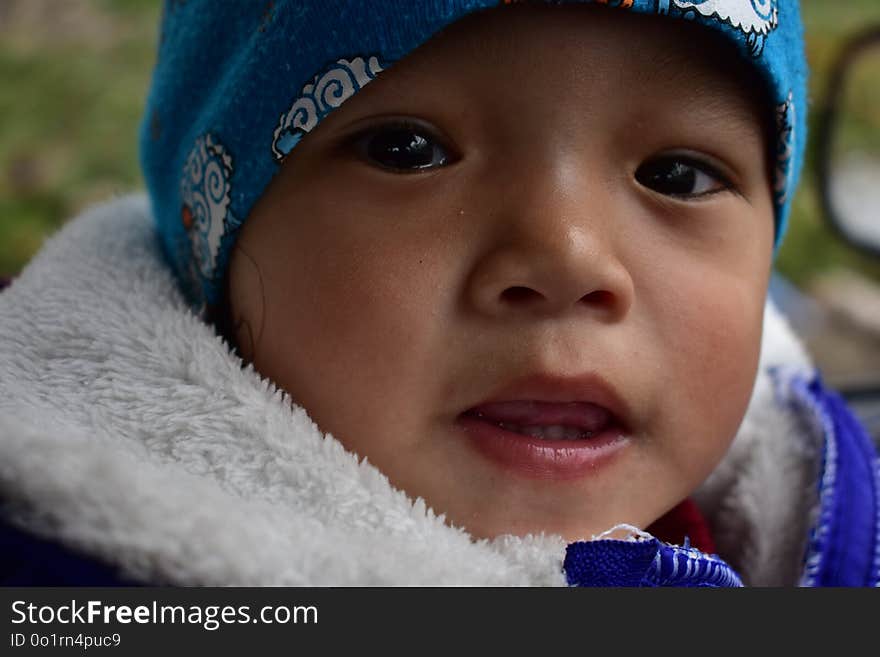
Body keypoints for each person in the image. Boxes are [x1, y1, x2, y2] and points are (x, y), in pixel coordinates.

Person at [0, 0, 877, 587]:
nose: (568, 257)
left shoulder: (817, 529)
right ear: (215, 256)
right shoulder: (76, 569)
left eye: (677, 174)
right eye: (408, 151)